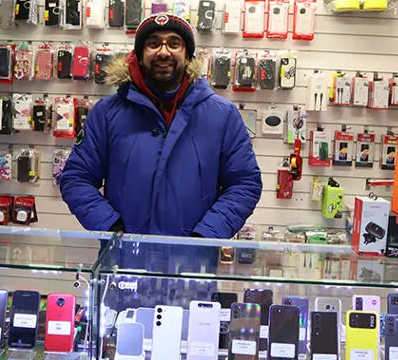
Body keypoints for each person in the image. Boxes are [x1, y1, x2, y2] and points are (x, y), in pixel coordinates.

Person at [60, 13, 262, 239]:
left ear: (188, 56)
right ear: (139, 54)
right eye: (153, 43)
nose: (164, 52)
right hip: (125, 260)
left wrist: (206, 236)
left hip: (192, 264)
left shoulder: (222, 115)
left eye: (174, 43)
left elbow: (245, 184)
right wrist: (110, 226)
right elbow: (76, 177)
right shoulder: (107, 113)